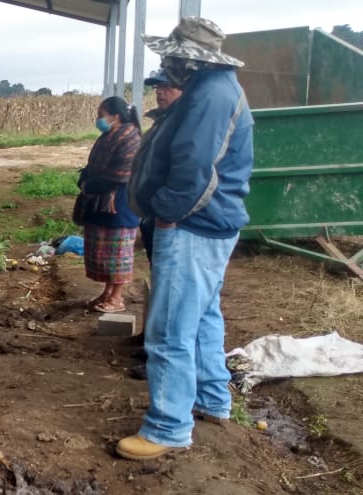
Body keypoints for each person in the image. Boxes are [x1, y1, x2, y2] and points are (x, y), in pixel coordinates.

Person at [119, 17, 254, 460]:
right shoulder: (213, 90)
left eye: (172, 57)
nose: (167, 64)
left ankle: (168, 427)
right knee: (202, 317)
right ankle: (213, 400)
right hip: (209, 225)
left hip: (193, 225)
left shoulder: (211, 95)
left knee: (171, 328)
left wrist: (170, 215)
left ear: (192, 59)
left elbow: (196, 166)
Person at [72, 96, 142, 313]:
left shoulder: (131, 138)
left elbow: (120, 175)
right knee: (104, 251)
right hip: (100, 202)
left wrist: (90, 185)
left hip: (118, 204)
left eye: (101, 115)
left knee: (118, 252)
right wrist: (85, 181)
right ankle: (107, 293)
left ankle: (117, 298)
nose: (98, 120)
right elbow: (93, 166)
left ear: (116, 116)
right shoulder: (108, 136)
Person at [137, 70, 185, 261]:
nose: (159, 92)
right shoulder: (162, 121)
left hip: (169, 218)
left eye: (167, 87)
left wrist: (165, 212)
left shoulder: (185, 122)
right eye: (158, 87)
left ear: (184, 90)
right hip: (154, 214)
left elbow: (187, 172)